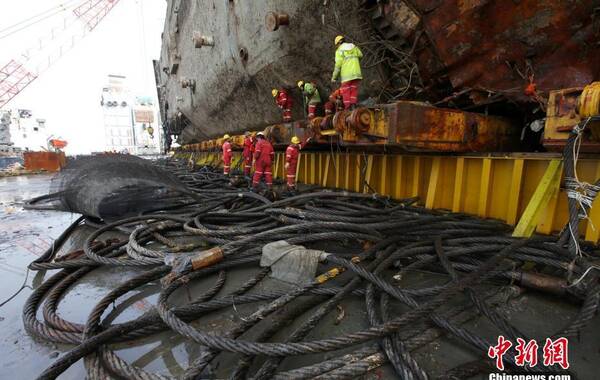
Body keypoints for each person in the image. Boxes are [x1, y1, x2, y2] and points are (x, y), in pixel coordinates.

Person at [331, 35, 363, 110]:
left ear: (338, 43)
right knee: (353, 90)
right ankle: (353, 107)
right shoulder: (353, 46)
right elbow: (360, 55)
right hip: (356, 73)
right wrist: (355, 62)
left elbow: (338, 65)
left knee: (346, 91)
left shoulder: (339, 51)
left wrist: (334, 77)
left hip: (347, 75)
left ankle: (347, 109)